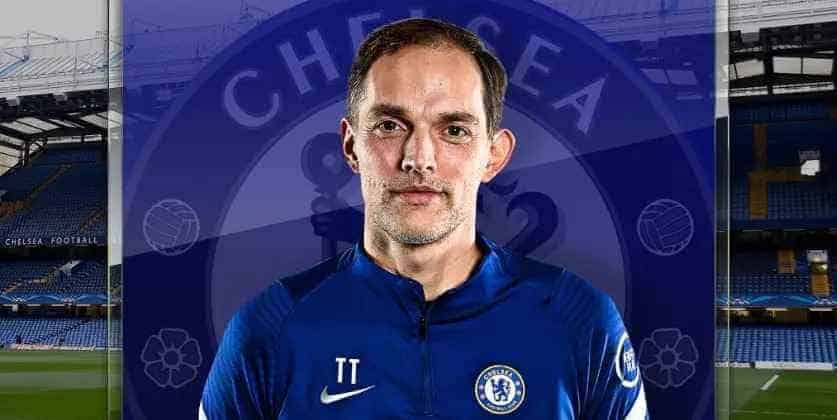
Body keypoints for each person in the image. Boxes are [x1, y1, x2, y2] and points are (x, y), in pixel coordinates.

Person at [201, 18, 647, 419]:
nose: (419, 158)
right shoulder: (270, 328)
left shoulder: (578, 318)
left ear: (494, 155)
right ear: (351, 146)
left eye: (454, 130)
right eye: (390, 125)